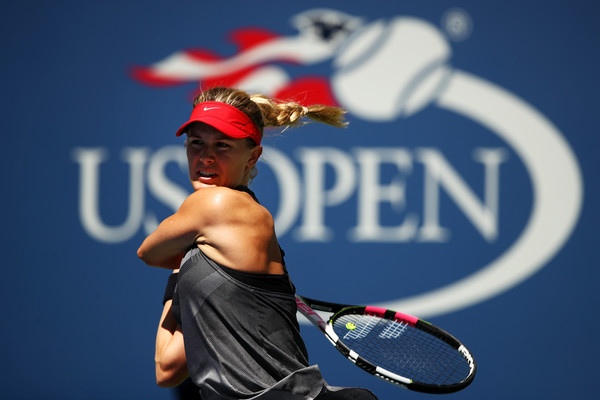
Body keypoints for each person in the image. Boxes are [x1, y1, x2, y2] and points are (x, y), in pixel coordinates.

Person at [137, 87, 378, 400]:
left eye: (222, 145)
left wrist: (180, 267)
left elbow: (148, 252)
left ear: (252, 156)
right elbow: (166, 368)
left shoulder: (217, 202)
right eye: (196, 143)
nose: (205, 156)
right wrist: (181, 280)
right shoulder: (205, 261)